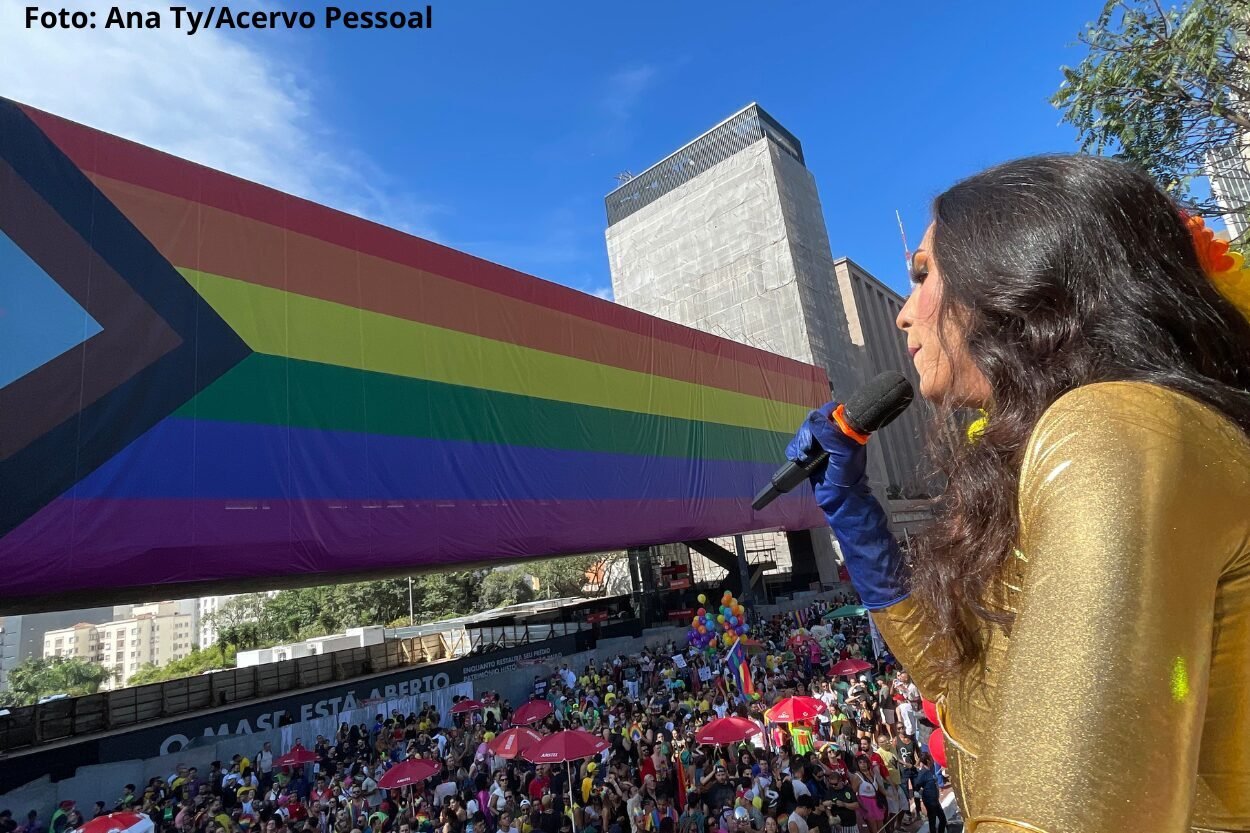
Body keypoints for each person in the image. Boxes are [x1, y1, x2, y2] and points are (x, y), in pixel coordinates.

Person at [785, 154, 1250, 831]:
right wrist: (855, 518)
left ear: (1013, 279)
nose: (904, 314)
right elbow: (970, 699)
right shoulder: (1053, 446)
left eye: (922, 275)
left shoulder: (1114, 425)